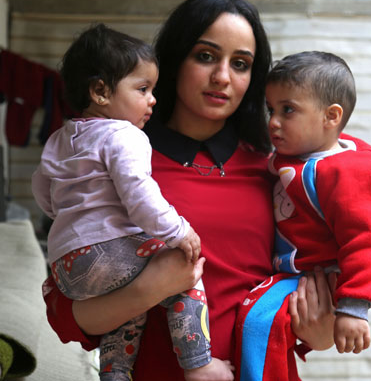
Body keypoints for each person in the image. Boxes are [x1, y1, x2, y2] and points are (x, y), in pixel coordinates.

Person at [41, 0, 338, 381]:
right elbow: (64, 314)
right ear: (174, 60)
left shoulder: (278, 170)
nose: (223, 77)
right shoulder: (120, 162)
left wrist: (320, 333)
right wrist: (148, 290)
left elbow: (305, 282)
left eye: (241, 64)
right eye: (205, 56)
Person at [32, 23, 233, 380]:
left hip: (66, 264)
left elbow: (43, 192)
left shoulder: (60, 138)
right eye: (142, 89)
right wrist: (177, 230)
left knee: (127, 308)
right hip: (107, 252)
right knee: (183, 268)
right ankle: (199, 363)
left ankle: (115, 373)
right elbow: (139, 193)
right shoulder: (125, 134)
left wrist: (72, 225)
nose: (152, 99)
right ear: (100, 92)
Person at [236, 51, 371, 380]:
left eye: (288, 110)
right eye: (271, 109)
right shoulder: (297, 153)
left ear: (331, 116)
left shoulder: (346, 172)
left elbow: (363, 243)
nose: (273, 121)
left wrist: (353, 309)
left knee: (257, 324)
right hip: (292, 272)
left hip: (317, 277)